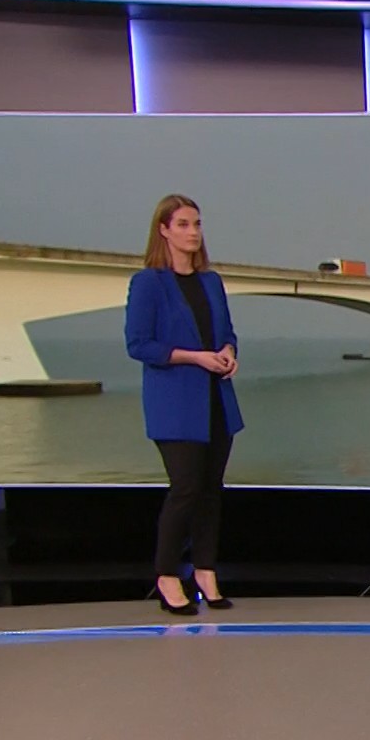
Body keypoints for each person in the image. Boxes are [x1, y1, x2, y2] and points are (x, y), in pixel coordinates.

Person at [124, 194, 244, 615]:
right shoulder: (149, 283)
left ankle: (205, 571)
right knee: (186, 489)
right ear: (163, 230)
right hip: (175, 406)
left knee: (211, 490)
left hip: (217, 401)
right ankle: (167, 575)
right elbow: (139, 345)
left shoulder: (211, 282)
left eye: (197, 224)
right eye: (183, 224)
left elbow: (227, 332)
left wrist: (228, 352)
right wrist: (196, 358)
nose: (193, 232)